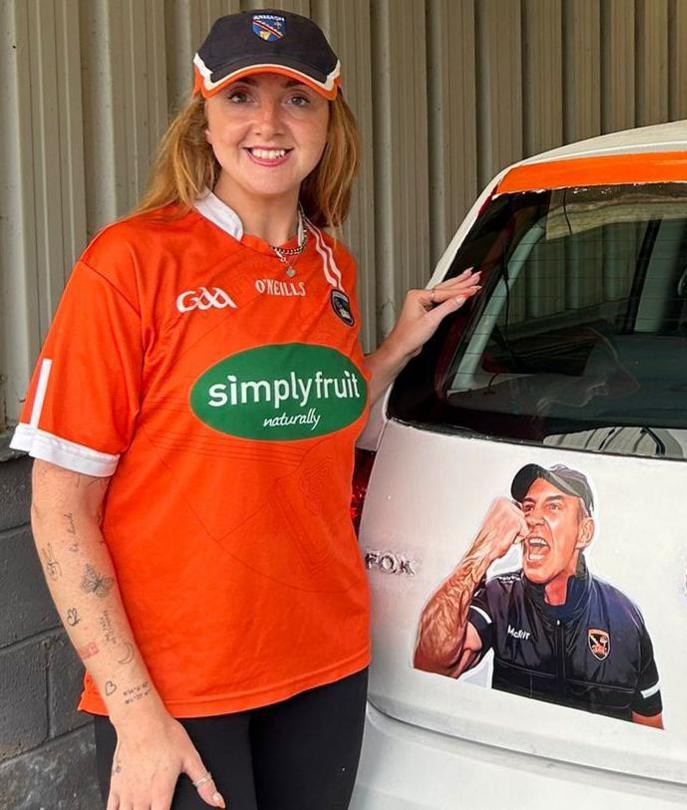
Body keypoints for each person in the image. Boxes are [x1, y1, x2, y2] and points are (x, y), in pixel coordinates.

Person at [12, 10, 479, 810]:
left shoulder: (332, 263)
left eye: (296, 99)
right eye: (241, 97)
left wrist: (395, 349)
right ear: (204, 118)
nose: (268, 123)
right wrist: (136, 713)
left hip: (325, 659)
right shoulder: (130, 262)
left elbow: (304, 418)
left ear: (331, 119)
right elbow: (59, 510)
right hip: (181, 684)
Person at [413, 464, 664, 728]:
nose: (531, 519)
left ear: (584, 532)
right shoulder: (500, 597)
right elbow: (430, 663)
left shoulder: (624, 617)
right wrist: (481, 552)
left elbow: (650, 728)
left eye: (553, 507)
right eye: (528, 508)